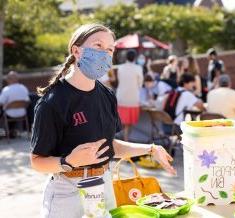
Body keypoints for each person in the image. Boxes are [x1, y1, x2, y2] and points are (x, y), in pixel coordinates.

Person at [30, 23, 175, 218]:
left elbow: (110, 146)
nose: (105, 53)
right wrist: (68, 161)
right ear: (77, 51)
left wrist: (150, 149)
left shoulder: (107, 95)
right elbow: (37, 161)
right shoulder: (52, 102)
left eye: (110, 49)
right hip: (67, 191)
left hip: (104, 185)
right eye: (98, 45)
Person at [116, 49, 144, 141]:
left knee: (123, 121)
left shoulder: (120, 67)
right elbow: (140, 84)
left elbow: (119, 80)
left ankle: (123, 139)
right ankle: (126, 141)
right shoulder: (138, 68)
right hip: (133, 98)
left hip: (121, 97)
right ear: (135, 58)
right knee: (129, 123)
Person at [0, 71, 30, 137]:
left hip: (9, 114)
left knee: (2, 110)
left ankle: (8, 132)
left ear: (9, 79)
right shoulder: (23, 88)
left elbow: (1, 102)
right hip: (22, 113)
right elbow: (28, 101)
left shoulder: (6, 90)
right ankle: (12, 132)